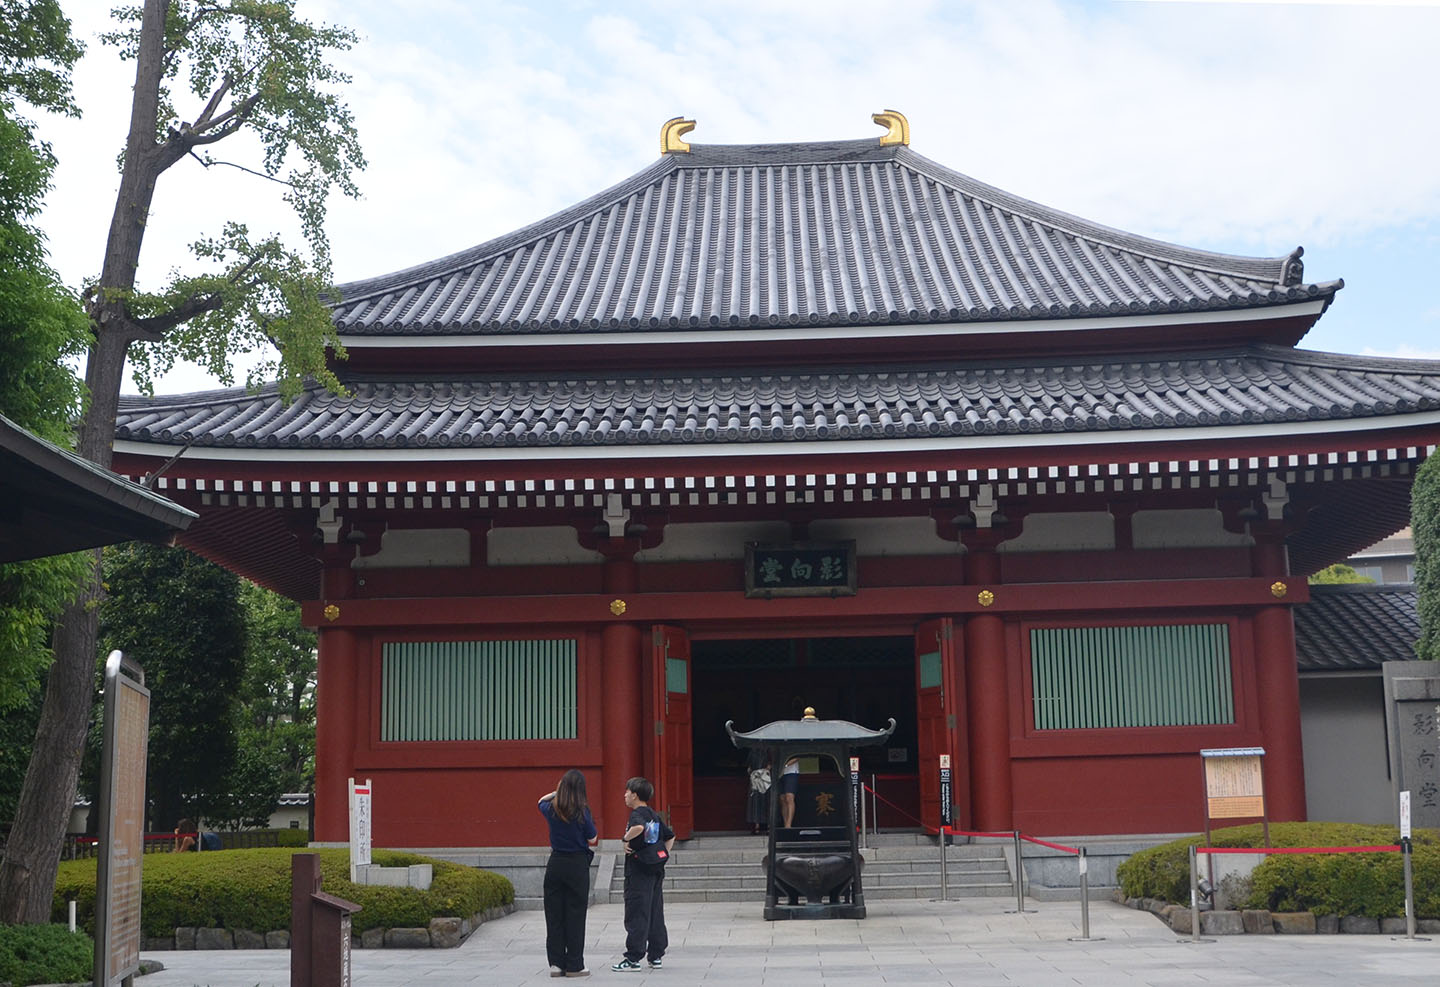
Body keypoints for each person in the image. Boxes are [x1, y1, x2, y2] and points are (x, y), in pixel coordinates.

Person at [539, 770, 598, 978]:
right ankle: (575, 965)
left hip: (555, 863)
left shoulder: (550, 809)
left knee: (554, 915)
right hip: (577, 864)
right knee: (575, 915)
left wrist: (557, 793)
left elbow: (540, 801)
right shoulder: (582, 811)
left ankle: (556, 964)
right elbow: (593, 838)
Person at [611, 777, 673, 972]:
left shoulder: (637, 814)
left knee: (637, 912)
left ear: (635, 795)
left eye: (627, 792)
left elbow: (638, 828)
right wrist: (662, 855)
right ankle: (656, 955)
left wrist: (625, 839)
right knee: (655, 911)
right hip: (655, 869)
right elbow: (670, 836)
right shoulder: (653, 814)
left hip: (639, 870)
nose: (625, 795)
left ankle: (633, 957)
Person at [745, 748, 771, 834]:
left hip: (766, 777)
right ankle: (758, 825)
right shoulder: (753, 750)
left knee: (767, 801)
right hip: (757, 777)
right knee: (756, 801)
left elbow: (772, 763)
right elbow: (749, 767)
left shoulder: (769, 750)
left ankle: (767, 825)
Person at [780, 756, 800, 828]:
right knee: (782, 799)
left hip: (791, 772)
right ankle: (785, 823)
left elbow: (797, 757)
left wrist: (785, 765)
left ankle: (789, 824)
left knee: (789, 797)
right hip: (780, 773)